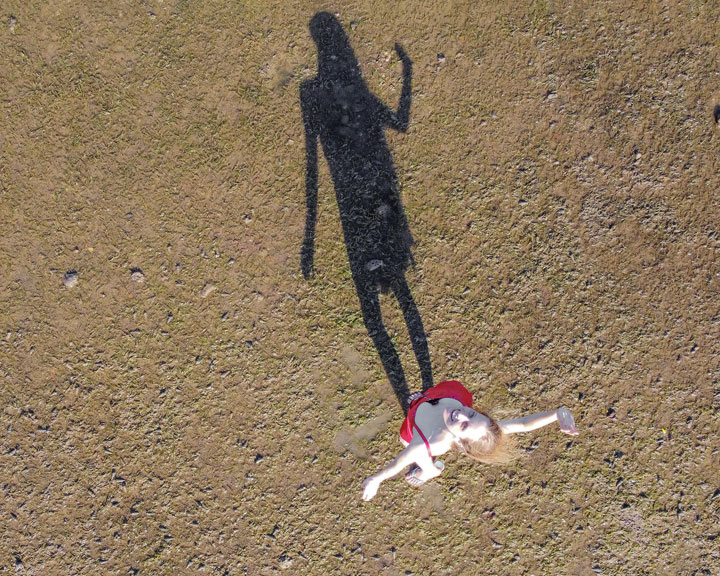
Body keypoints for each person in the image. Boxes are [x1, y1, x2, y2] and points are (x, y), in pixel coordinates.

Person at [361, 380, 579, 501]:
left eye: (464, 425)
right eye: (473, 414)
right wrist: (557, 413)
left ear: (458, 441)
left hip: (418, 436)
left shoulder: (428, 441)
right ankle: (430, 464)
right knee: (431, 413)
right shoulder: (459, 405)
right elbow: (521, 424)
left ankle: (428, 471)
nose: (461, 415)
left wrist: (376, 479)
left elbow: (398, 462)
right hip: (441, 395)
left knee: (415, 454)